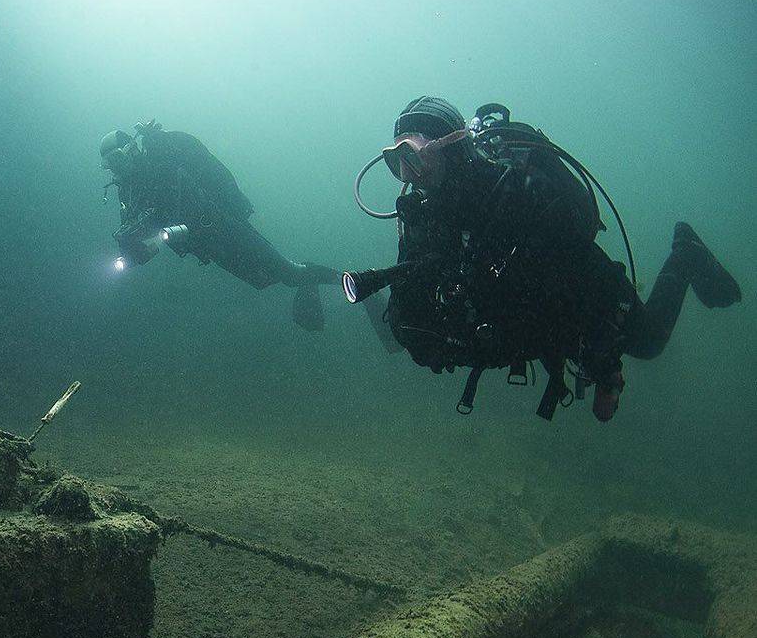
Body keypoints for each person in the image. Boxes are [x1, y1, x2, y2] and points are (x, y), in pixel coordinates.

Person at [344, 96, 741, 421]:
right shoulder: (425, 217)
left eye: (414, 156)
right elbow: (411, 314)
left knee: (650, 342)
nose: (410, 175)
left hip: (585, 298)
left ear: (452, 145)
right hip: (526, 328)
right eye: (398, 163)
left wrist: (604, 360)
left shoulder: (513, 192)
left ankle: (684, 254)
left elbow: (578, 277)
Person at [101, 121, 372, 333]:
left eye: (117, 160)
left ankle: (355, 282)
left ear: (131, 150)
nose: (116, 170)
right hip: (206, 245)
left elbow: (189, 195)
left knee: (288, 273)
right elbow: (143, 232)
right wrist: (132, 254)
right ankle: (310, 282)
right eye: (109, 165)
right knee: (269, 279)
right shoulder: (129, 190)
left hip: (223, 225)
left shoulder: (163, 163)